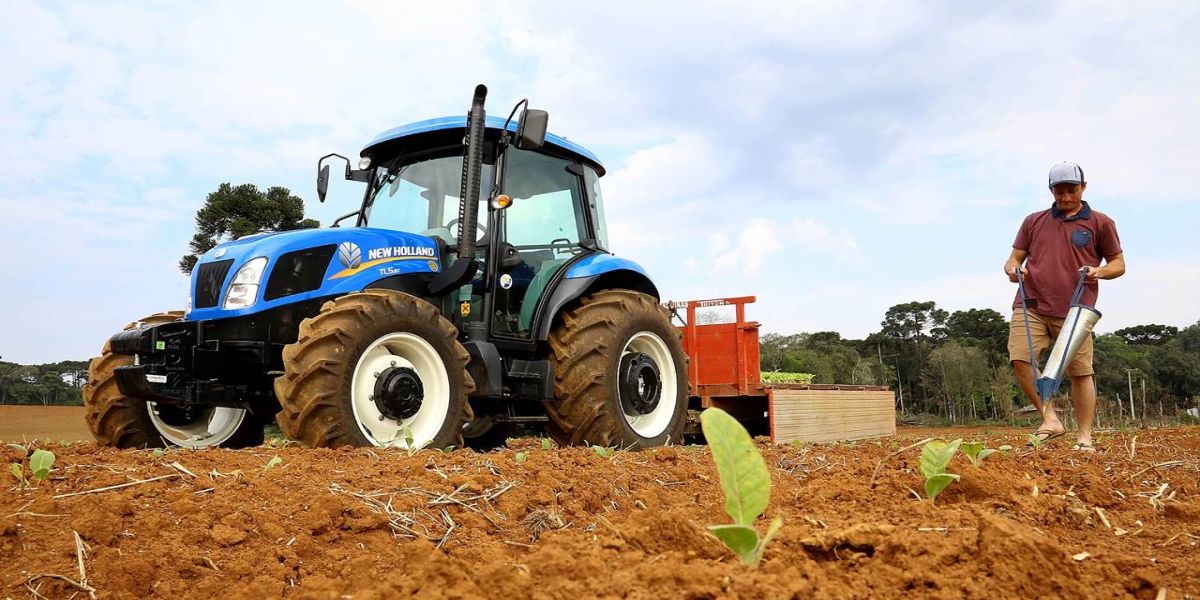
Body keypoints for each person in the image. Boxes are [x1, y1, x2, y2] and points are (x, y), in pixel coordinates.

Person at [1003, 162, 1125, 451]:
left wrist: (1099, 271)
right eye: (1059, 191)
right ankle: (1050, 420)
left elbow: (1118, 264)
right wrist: (1013, 269)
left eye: (1072, 190)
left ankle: (1084, 436)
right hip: (1030, 302)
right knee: (1020, 357)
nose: (1066, 196)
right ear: (1051, 191)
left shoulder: (1100, 222)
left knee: (1080, 372)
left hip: (1076, 309)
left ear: (1083, 188)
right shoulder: (1034, 221)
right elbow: (1014, 258)